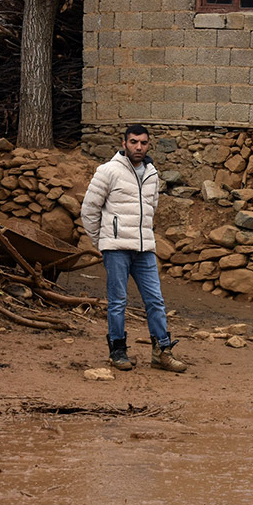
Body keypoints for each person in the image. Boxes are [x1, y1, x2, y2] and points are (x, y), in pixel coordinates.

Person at [80, 126, 187, 373]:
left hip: (144, 249)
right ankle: (118, 351)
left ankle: (162, 351)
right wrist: (103, 242)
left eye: (143, 143)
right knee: (118, 301)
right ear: (124, 143)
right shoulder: (108, 171)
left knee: (156, 300)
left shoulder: (151, 174)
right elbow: (89, 210)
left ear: (149, 145)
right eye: (133, 142)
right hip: (116, 248)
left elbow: (152, 208)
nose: (138, 147)